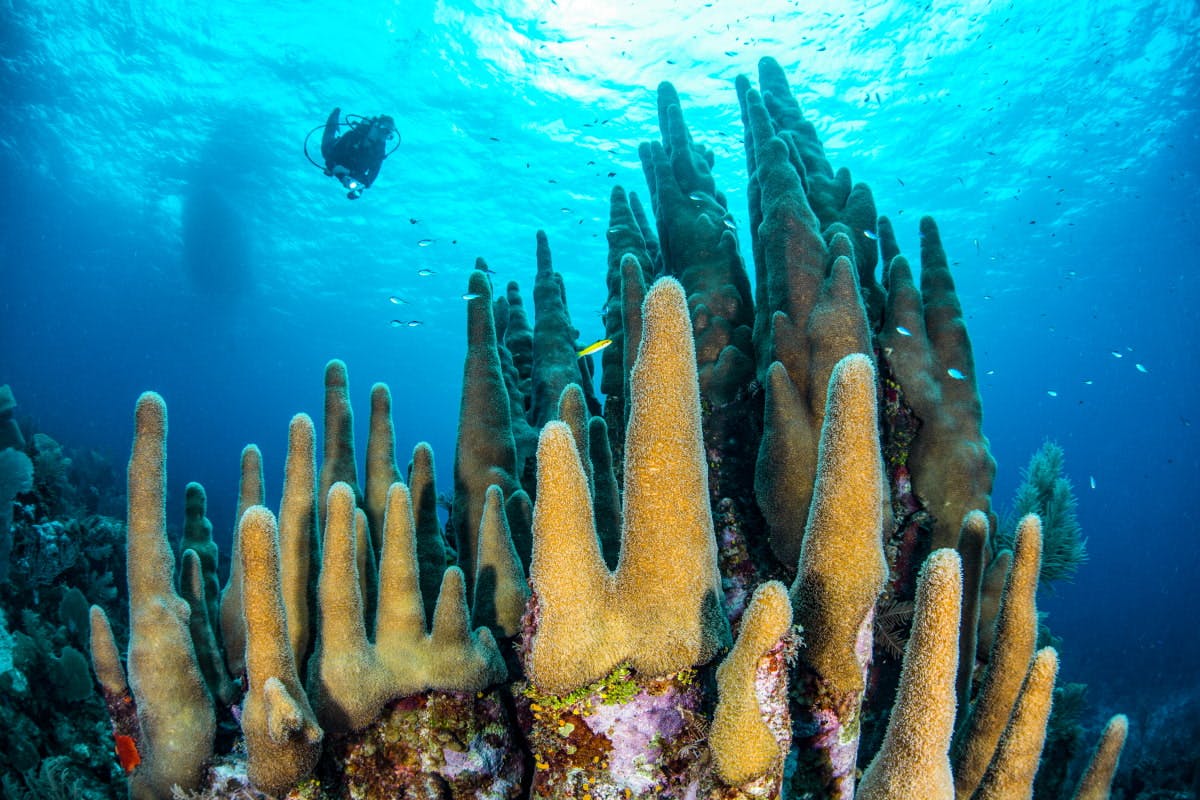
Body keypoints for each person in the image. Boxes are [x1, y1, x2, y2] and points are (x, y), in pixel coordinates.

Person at [320, 108, 396, 199]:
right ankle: (335, 114)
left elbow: (369, 181)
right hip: (337, 156)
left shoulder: (379, 153)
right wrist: (332, 167)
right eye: (383, 130)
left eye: (387, 134)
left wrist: (357, 187)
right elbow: (331, 156)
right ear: (375, 125)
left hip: (353, 171)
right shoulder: (353, 135)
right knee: (326, 150)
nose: (382, 136)